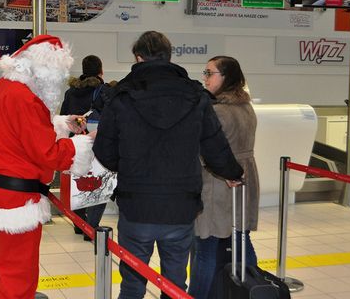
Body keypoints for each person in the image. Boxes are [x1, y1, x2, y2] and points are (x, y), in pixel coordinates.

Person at [92, 31, 244, 299]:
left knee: (132, 283)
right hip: (180, 205)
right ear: (168, 56)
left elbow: (104, 151)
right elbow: (214, 145)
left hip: (136, 203)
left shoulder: (122, 97)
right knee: (174, 283)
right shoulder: (196, 96)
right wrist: (233, 173)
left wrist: (127, 166)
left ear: (138, 58)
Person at [0, 35, 94, 299]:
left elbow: (19, 133)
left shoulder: (1, 89)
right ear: (44, 70)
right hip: (18, 203)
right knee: (18, 277)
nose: (60, 80)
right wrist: (83, 143)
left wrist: (61, 123)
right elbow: (48, 153)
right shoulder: (26, 98)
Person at [188, 56, 260, 299]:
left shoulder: (216, 111)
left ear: (226, 77)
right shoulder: (246, 107)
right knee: (242, 240)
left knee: (206, 248)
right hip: (244, 180)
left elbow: (204, 153)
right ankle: (253, 289)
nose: (205, 78)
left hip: (216, 183)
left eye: (210, 73)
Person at [60, 54, 115, 241]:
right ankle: (91, 227)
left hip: (76, 143)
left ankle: (79, 224)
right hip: (97, 143)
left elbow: (64, 117)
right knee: (100, 183)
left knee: (79, 183)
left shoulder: (70, 92)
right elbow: (112, 116)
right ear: (101, 71)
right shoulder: (103, 90)